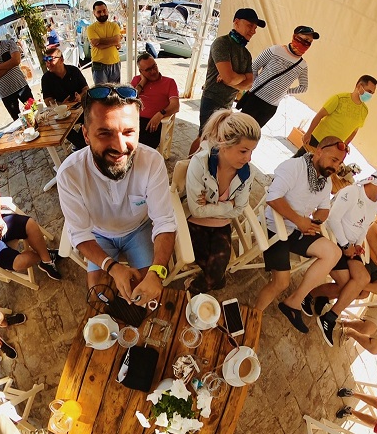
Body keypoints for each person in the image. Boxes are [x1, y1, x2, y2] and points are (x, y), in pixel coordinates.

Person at [56, 86, 176, 304]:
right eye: (105, 133)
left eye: (129, 132)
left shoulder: (152, 162)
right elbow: (81, 234)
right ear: (85, 135)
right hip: (98, 235)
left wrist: (157, 272)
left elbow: (164, 221)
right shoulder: (70, 174)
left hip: (139, 229)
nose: (120, 147)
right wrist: (112, 267)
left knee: (147, 295)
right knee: (100, 295)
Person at [305, 170, 377, 347]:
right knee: (350, 286)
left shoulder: (375, 205)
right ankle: (316, 299)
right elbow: (333, 219)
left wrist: (356, 245)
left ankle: (329, 315)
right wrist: (346, 245)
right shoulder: (352, 192)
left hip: (349, 247)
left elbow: (363, 228)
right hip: (332, 240)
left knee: (363, 287)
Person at [253, 137, 345, 318]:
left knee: (334, 253)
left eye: (339, 163)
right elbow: (273, 198)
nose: (336, 167)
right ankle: (254, 315)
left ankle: (294, 302)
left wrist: (315, 222)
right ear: (319, 151)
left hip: (296, 230)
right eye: (334, 160)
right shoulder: (294, 167)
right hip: (274, 227)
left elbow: (324, 209)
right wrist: (300, 221)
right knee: (281, 283)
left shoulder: (325, 181)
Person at [185, 109, 259, 292]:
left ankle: (194, 286)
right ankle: (204, 285)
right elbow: (196, 211)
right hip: (194, 223)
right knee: (215, 273)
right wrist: (229, 204)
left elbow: (239, 209)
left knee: (216, 270)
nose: (248, 158)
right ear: (224, 145)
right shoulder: (200, 163)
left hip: (221, 225)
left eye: (251, 151)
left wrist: (212, 206)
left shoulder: (247, 173)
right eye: (243, 151)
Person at [190, 7, 263, 153]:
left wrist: (237, 78)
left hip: (228, 103)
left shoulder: (246, 54)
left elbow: (248, 84)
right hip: (212, 99)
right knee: (204, 137)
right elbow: (230, 78)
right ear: (236, 22)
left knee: (216, 139)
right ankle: (188, 165)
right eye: (250, 25)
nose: (253, 31)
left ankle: (199, 166)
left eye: (255, 28)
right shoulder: (221, 43)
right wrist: (237, 78)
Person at [237, 24, 317, 128]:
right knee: (238, 128)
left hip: (271, 106)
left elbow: (303, 88)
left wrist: (285, 91)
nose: (306, 43)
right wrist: (255, 83)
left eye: (310, 42)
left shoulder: (302, 65)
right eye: (305, 39)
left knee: (251, 134)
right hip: (255, 98)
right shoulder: (275, 50)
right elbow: (255, 66)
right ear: (295, 36)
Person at [297, 75, 377, 157]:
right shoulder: (339, 99)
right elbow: (319, 115)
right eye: (369, 91)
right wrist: (308, 133)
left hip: (332, 148)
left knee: (314, 169)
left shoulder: (364, 111)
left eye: (372, 93)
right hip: (316, 140)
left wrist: (345, 145)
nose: (370, 95)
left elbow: (354, 131)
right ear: (359, 86)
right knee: (297, 163)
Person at [40, 44, 87, 149]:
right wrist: (60, 104)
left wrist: (80, 96)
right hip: (61, 113)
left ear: (61, 59)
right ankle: (82, 147)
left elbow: (86, 89)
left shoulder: (74, 71)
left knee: (91, 119)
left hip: (80, 107)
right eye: (45, 60)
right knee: (65, 130)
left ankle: (84, 143)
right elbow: (48, 100)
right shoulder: (46, 78)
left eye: (50, 60)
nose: (48, 63)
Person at [131, 52, 179, 149]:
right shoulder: (137, 80)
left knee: (142, 149)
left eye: (154, 66)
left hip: (153, 123)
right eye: (148, 70)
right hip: (134, 120)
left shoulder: (169, 82)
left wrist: (161, 113)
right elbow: (129, 100)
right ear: (141, 71)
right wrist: (142, 82)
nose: (153, 71)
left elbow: (175, 106)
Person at [86, 0, 122, 86]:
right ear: (94, 13)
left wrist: (100, 41)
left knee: (115, 92)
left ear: (107, 10)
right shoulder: (91, 28)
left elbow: (116, 40)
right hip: (99, 64)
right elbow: (96, 44)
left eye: (104, 11)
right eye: (99, 12)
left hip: (115, 63)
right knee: (102, 93)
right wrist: (113, 42)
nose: (102, 14)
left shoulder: (114, 25)